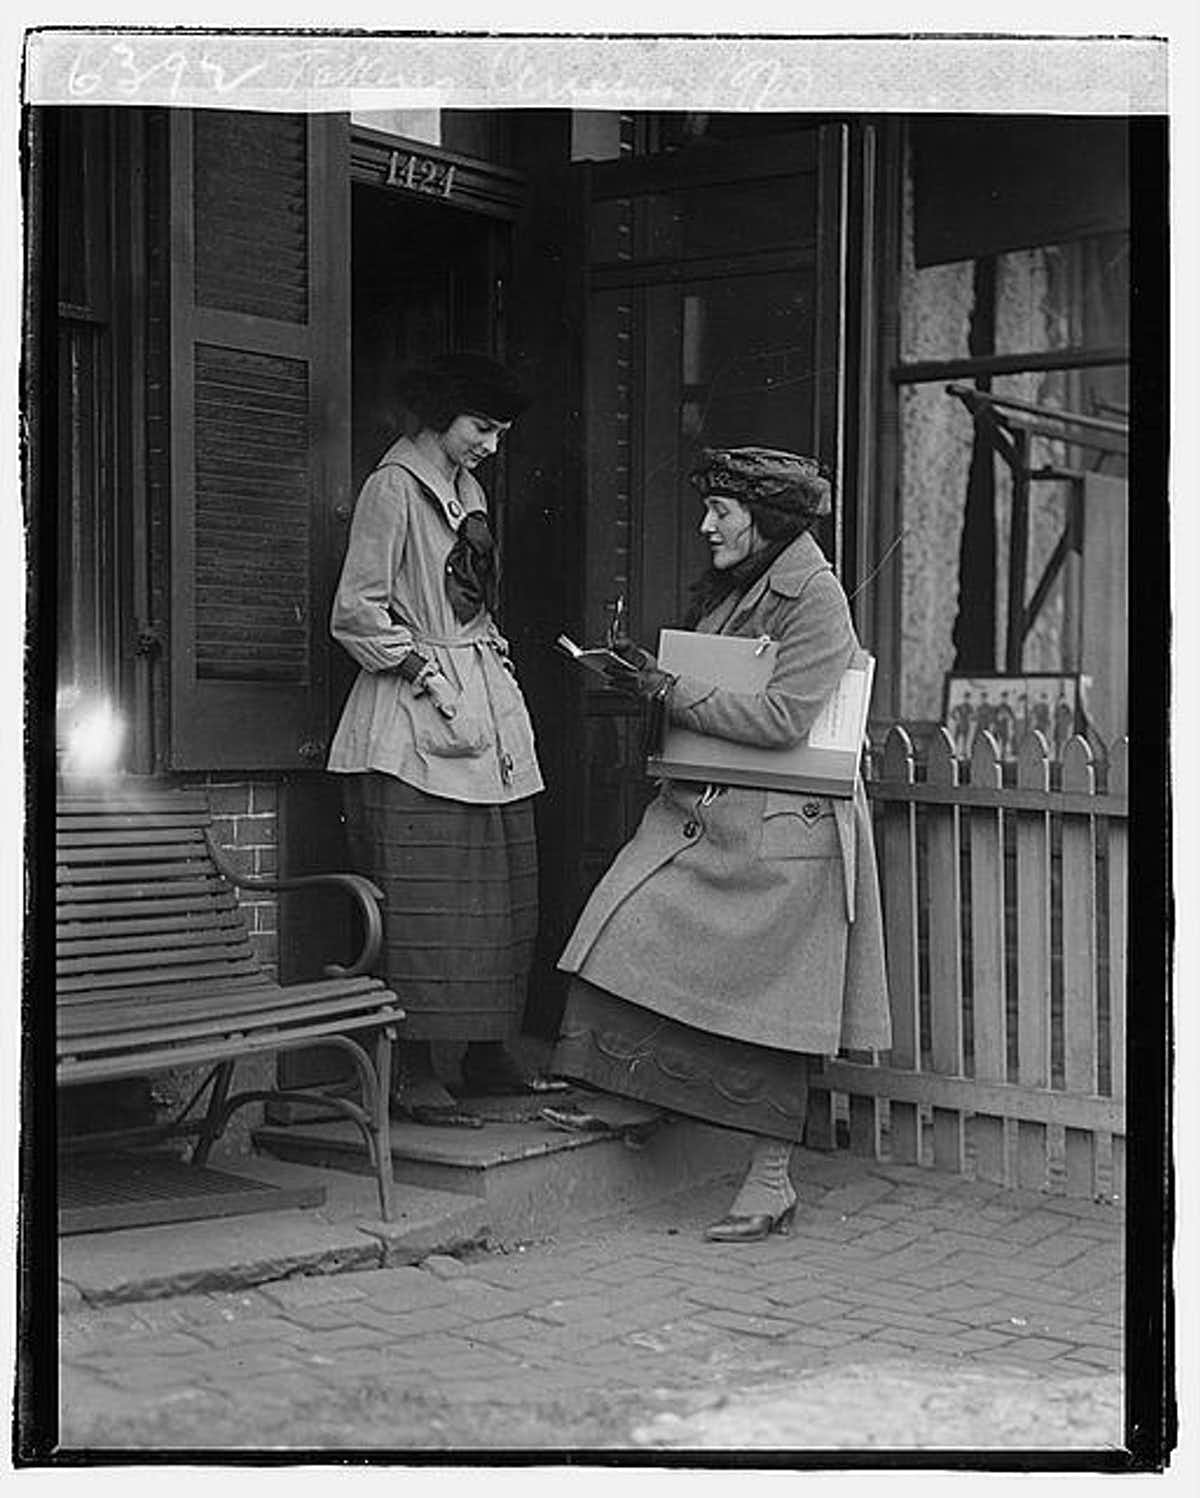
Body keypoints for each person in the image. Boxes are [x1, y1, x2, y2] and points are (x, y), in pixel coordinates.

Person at [548, 446, 892, 1240]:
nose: (706, 525)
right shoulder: (746, 584)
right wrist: (649, 680)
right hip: (722, 816)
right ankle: (628, 1093)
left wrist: (669, 689)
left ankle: (771, 1183)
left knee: (775, 1013)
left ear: (765, 520)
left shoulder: (817, 599)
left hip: (787, 834)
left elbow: (781, 718)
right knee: (627, 925)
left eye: (722, 512)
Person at [327, 353, 555, 1125]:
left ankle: (487, 1051)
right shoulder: (391, 489)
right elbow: (356, 611)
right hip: (412, 718)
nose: (491, 443)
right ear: (441, 415)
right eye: (481, 428)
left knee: (501, 892)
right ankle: (416, 1068)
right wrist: (421, 667)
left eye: (499, 431)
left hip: (484, 707)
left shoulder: (471, 488)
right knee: (425, 901)